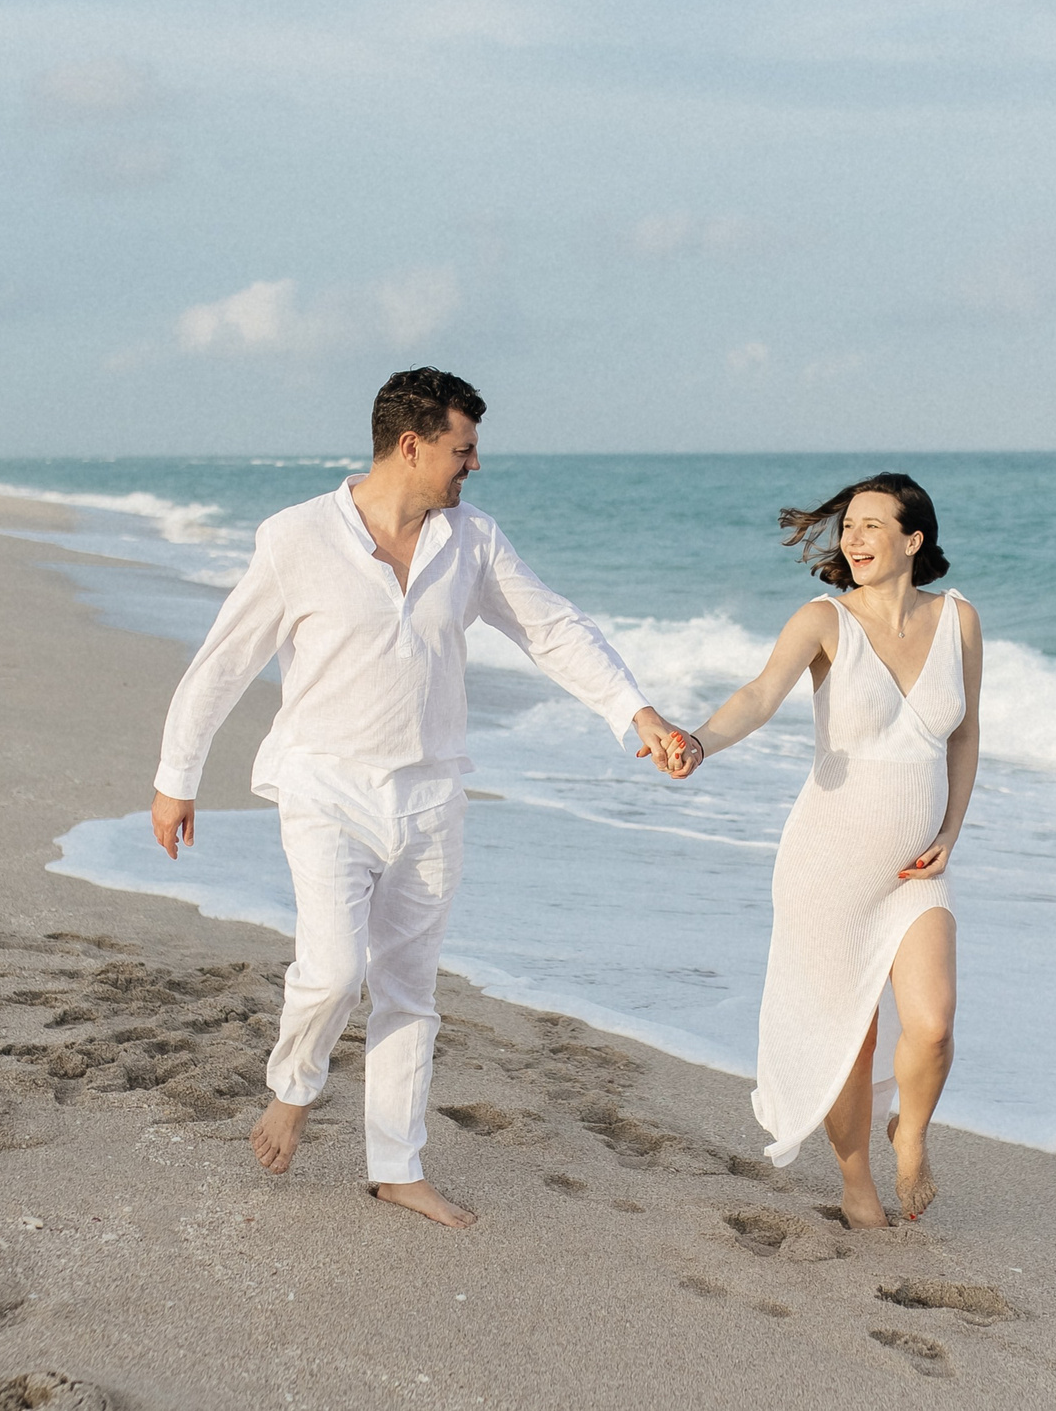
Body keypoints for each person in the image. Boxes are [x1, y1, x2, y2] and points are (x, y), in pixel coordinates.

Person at [150, 367, 698, 1229]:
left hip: (432, 795)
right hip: (324, 785)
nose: (473, 467)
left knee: (409, 990)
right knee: (333, 970)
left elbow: (552, 629)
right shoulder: (296, 538)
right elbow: (224, 660)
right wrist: (176, 778)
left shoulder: (471, 542)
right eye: (463, 449)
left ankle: (396, 1167)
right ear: (412, 445)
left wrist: (638, 713)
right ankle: (292, 1088)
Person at [681, 473, 982, 1227]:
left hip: (916, 868)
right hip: (828, 861)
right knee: (852, 1032)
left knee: (935, 1024)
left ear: (913, 540)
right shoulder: (824, 620)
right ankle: (857, 1186)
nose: (853, 538)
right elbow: (757, 695)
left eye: (872, 525)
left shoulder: (959, 621)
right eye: (848, 525)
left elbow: (967, 734)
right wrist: (698, 743)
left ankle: (908, 1130)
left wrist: (951, 831)